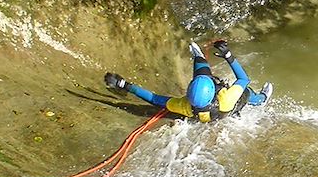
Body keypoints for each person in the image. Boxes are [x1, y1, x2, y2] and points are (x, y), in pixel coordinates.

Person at [105, 40, 273, 123]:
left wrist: (124, 85)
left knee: (200, 62)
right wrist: (228, 56)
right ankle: (262, 100)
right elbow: (244, 79)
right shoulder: (226, 99)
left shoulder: (185, 106)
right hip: (228, 108)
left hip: (205, 114)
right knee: (247, 93)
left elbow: (154, 99)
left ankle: (198, 55)